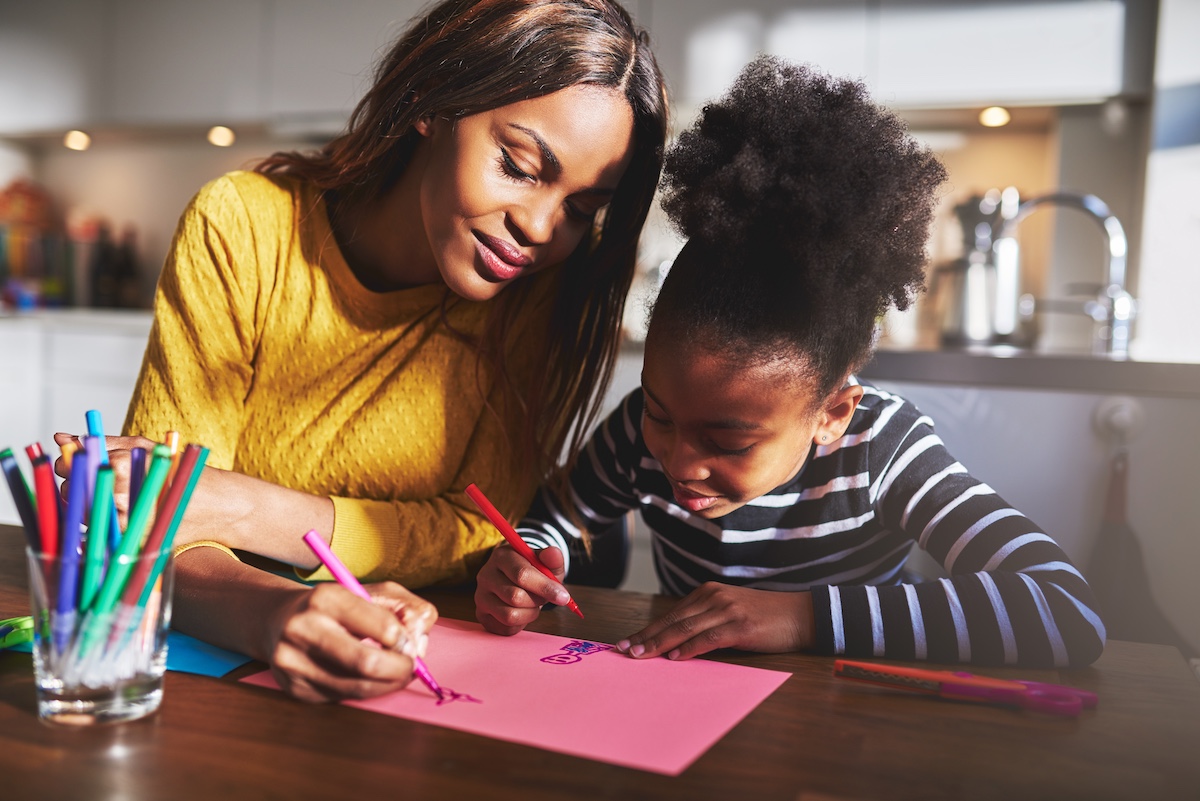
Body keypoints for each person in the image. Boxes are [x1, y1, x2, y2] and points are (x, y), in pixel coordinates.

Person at [55, 0, 668, 702]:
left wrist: (243, 507)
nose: (538, 227)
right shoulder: (242, 227)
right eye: (519, 164)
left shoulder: (539, 292)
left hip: (426, 661)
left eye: (581, 209)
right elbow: (152, 527)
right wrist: (273, 611)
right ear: (432, 104)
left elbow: (477, 531)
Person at [474, 56, 1106, 668]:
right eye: (662, 417)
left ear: (831, 412)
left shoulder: (880, 448)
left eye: (728, 439)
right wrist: (531, 562)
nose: (681, 460)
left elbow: (1064, 608)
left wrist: (799, 618)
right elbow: (557, 521)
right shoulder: (640, 430)